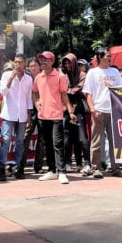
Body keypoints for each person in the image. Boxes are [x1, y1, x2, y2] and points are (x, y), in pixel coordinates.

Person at [83, 47, 122, 179]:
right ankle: (96, 168)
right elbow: (88, 93)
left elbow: (121, 91)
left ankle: (115, 167)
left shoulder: (114, 72)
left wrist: (112, 87)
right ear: (99, 57)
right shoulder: (92, 73)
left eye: (110, 56)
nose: (109, 58)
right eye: (107, 56)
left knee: (115, 141)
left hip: (113, 111)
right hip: (99, 110)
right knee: (96, 140)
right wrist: (92, 109)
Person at [33, 51, 77, 184]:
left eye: (46, 60)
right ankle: (52, 170)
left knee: (57, 144)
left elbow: (64, 95)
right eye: (41, 60)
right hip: (42, 116)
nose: (43, 62)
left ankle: (62, 172)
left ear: (52, 61)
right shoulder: (38, 77)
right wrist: (36, 102)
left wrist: (70, 112)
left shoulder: (60, 76)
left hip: (56, 115)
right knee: (47, 145)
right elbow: (34, 92)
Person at [0, 53, 33, 181]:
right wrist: (11, 79)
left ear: (25, 64)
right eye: (16, 62)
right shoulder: (6, 75)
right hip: (9, 113)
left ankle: (18, 168)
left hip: (22, 114)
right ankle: (2, 168)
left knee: (20, 141)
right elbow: (2, 93)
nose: (18, 64)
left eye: (20, 62)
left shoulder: (28, 79)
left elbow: (29, 98)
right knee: (5, 140)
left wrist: (29, 115)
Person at [61, 53, 92, 175]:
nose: (67, 65)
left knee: (82, 138)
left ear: (74, 63)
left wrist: (67, 91)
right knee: (67, 138)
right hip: (66, 110)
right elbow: (62, 92)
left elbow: (78, 89)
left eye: (69, 62)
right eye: (65, 63)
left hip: (79, 110)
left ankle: (87, 163)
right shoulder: (64, 76)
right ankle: (68, 162)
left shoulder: (83, 75)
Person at [22, 57, 45, 173]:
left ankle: (38, 166)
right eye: (31, 66)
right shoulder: (26, 78)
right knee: (25, 137)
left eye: (35, 66)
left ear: (40, 66)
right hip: (29, 111)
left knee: (42, 139)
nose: (33, 68)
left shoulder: (44, 77)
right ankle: (21, 165)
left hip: (43, 110)